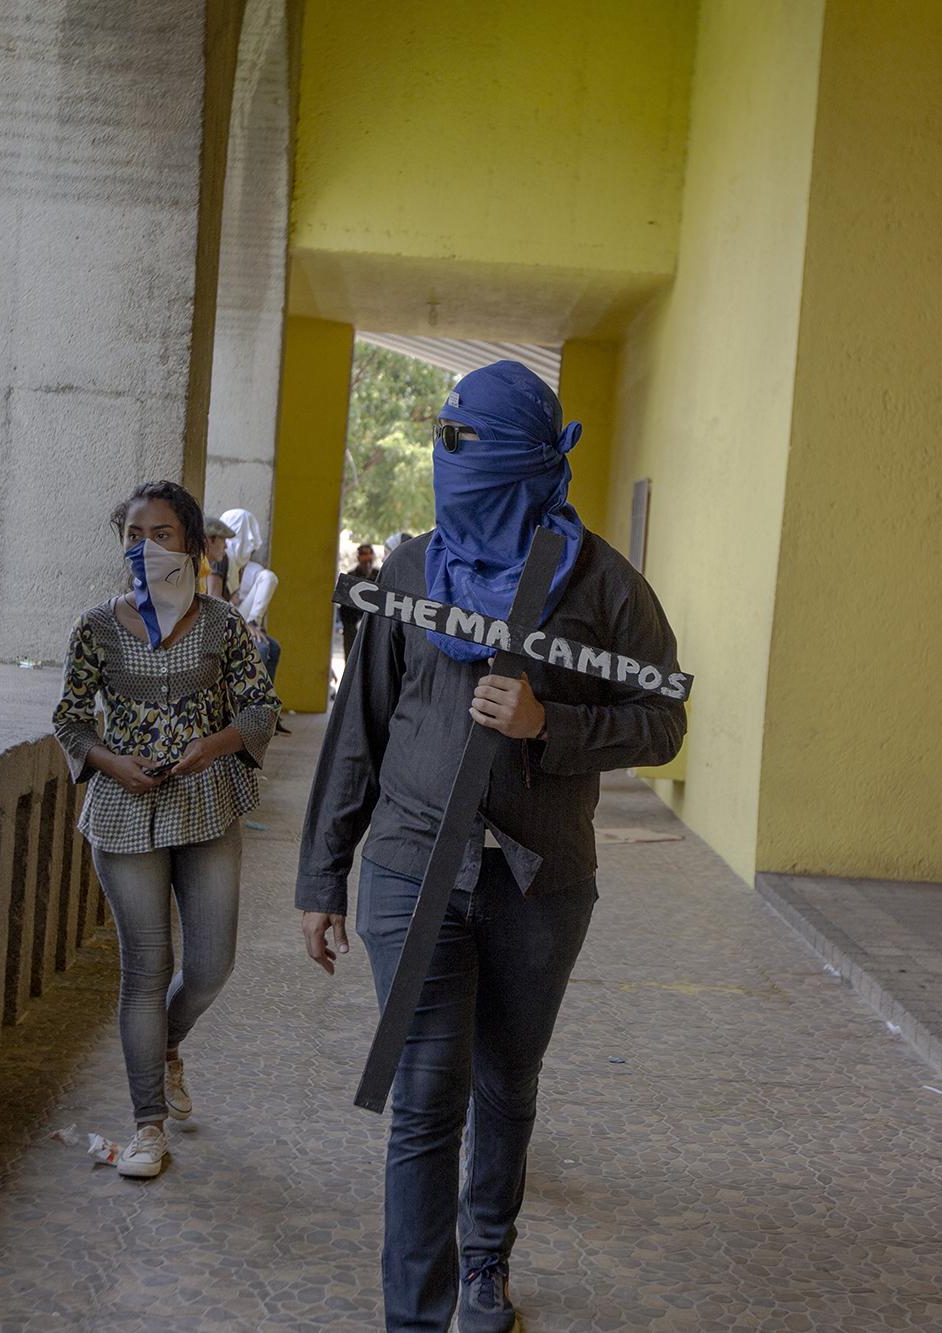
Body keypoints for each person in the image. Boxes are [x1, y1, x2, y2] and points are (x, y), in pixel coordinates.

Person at [296, 361, 686, 1332]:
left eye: (471, 442)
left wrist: (548, 721)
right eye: (445, 437)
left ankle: (484, 1267)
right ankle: (415, 1317)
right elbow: (360, 726)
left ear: (525, 457)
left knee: (506, 1080)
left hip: (537, 882)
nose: (450, 458)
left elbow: (663, 719)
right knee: (426, 1095)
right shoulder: (411, 571)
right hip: (410, 862)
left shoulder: (598, 583)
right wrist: (322, 872)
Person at [52, 480, 281, 1179]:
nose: (145, 547)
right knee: (145, 970)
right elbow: (69, 719)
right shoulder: (95, 626)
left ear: (188, 541)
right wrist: (111, 762)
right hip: (123, 816)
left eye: (160, 533)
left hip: (208, 804)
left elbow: (260, 707)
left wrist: (206, 748)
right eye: (132, 534)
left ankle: (168, 1045)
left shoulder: (220, 625)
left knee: (211, 965)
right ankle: (147, 1124)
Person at [219, 507, 282, 684]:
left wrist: (252, 622)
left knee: (273, 648)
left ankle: (265, 705)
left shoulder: (238, 564)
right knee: (260, 649)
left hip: (236, 617)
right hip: (222, 621)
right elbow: (216, 602)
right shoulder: (221, 559)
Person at [339, 542, 379, 661]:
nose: (367, 565)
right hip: (354, 628)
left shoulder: (379, 577)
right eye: (364, 562)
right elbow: (344, 612)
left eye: (369, 562)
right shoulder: (351, 577)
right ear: (358, 559)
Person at [201, 514, 236, 598]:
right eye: (223, 540)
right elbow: (213, 598)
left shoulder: (203, 565)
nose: (226, 546)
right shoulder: (190, 566)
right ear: (208, 540)